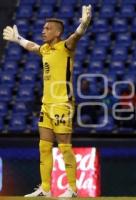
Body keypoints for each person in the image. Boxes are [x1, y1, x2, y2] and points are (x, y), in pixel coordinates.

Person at [2, 5, 92, 197]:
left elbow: (76, 37)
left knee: (64, 146)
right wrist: (18, 39)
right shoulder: (45, 49)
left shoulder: (65, 47)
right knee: (44, 146)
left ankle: (73, 188)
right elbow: (33, 46)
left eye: (47, 28)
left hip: (62, 104)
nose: (43, 31)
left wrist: (83, 25)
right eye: (43, 28)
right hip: (47, 104)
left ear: (58, 32)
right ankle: (45, 188)